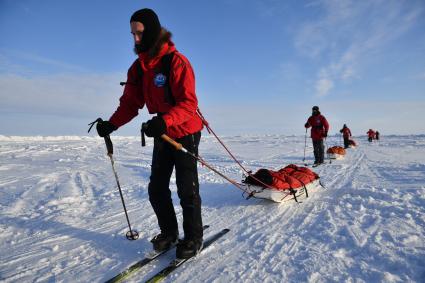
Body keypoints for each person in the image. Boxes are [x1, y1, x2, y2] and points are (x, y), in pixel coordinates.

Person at [95, 8, 204, 259]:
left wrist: (165, 121)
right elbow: (130, 104)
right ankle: (169, 232)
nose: (135, 39)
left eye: (140, 33)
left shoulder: (177, 62)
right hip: (162, 132)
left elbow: (188, 104)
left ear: (153, 32)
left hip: (185, 130)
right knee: (156, 188)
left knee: (187, 189)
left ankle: (194, 238)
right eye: (132, 34)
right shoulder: (138, 68)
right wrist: (112, 124)